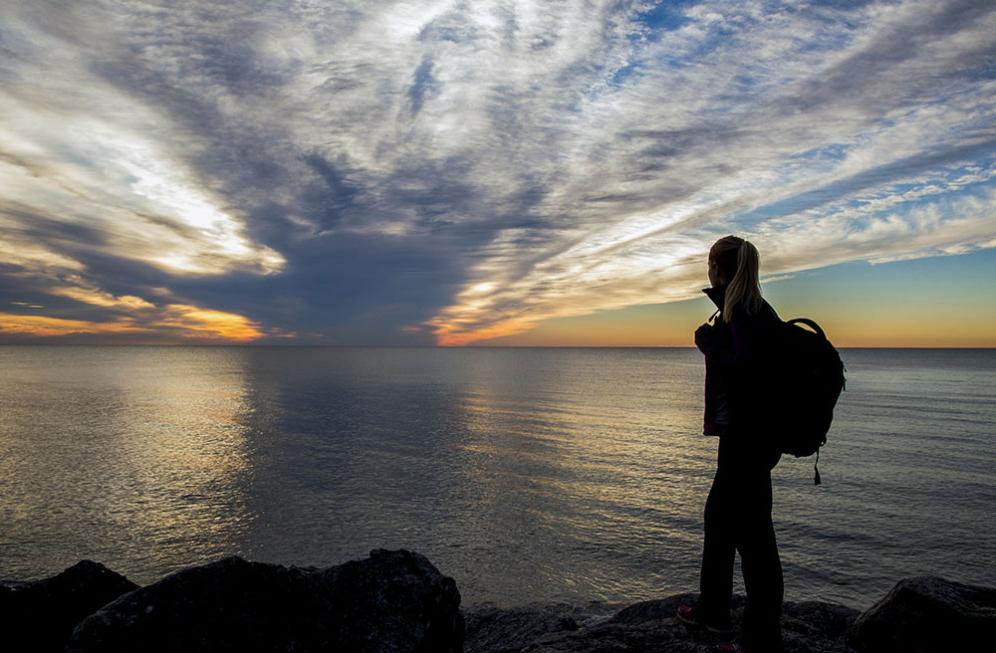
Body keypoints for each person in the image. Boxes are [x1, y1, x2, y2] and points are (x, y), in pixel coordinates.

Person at [676, 235, 785, 653]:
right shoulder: (752, 309)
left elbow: (744, 370)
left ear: (718, 268)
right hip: (753, 436)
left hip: (747, 438)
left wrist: (707, 343)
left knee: (754, 538)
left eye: (710, 264)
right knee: (722, 522)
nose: (708, 271)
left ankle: (759, 639)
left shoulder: (743, 312)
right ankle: (714, 612)